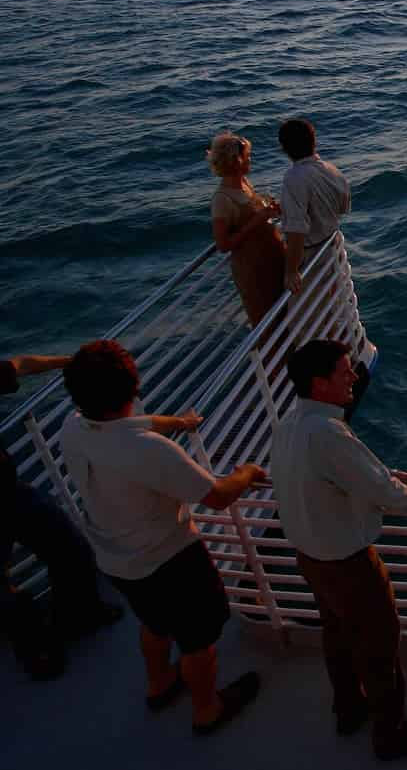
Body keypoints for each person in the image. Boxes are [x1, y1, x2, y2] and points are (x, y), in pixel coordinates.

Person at [55, 340, 265, 732]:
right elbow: (217, 496)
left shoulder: (74, 426)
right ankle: (208, 710)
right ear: (133, 389)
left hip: (116, 559)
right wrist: (248, 473)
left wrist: (176, 423)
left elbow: (126, 427)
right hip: (170, 560)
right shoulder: (151, 452)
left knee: (155, 623)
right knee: (197, 638)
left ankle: (160, 684)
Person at [269, 338, 407, 761]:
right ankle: (391, 735)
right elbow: (388, 494)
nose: (354, 375)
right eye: (344, 370)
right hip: (348, 565)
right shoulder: (329, 434)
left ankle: (348, 709)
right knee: (379, 648)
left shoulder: (289, 426)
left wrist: (394, 476)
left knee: (336, 636)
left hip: (310, 558)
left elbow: (352, 473)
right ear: (319, 383)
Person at [2, 352, 123, 680]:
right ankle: (35, 651)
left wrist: (70, 360)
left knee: (72, 550)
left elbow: (19, 365)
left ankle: (81, 615)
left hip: (9, 493)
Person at [207, 131, 286, 326]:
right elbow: (223, 244)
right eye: (247, 156)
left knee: (287, 315)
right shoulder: (222, 199)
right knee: (268, 322)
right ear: (235, 160)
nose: (250, 159)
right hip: (254, 269)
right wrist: (257, 220)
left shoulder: (244, 184)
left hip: (274, 259)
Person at [276, 118, 351, 295]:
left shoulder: (293, 177)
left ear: (284, 148)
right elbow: (343, 206)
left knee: (305, 316)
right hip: (333, 248)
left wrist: (291, 271)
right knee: (333, 306)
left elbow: (296, 230)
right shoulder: (331, 170)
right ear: (313, 142)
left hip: (311, 258)